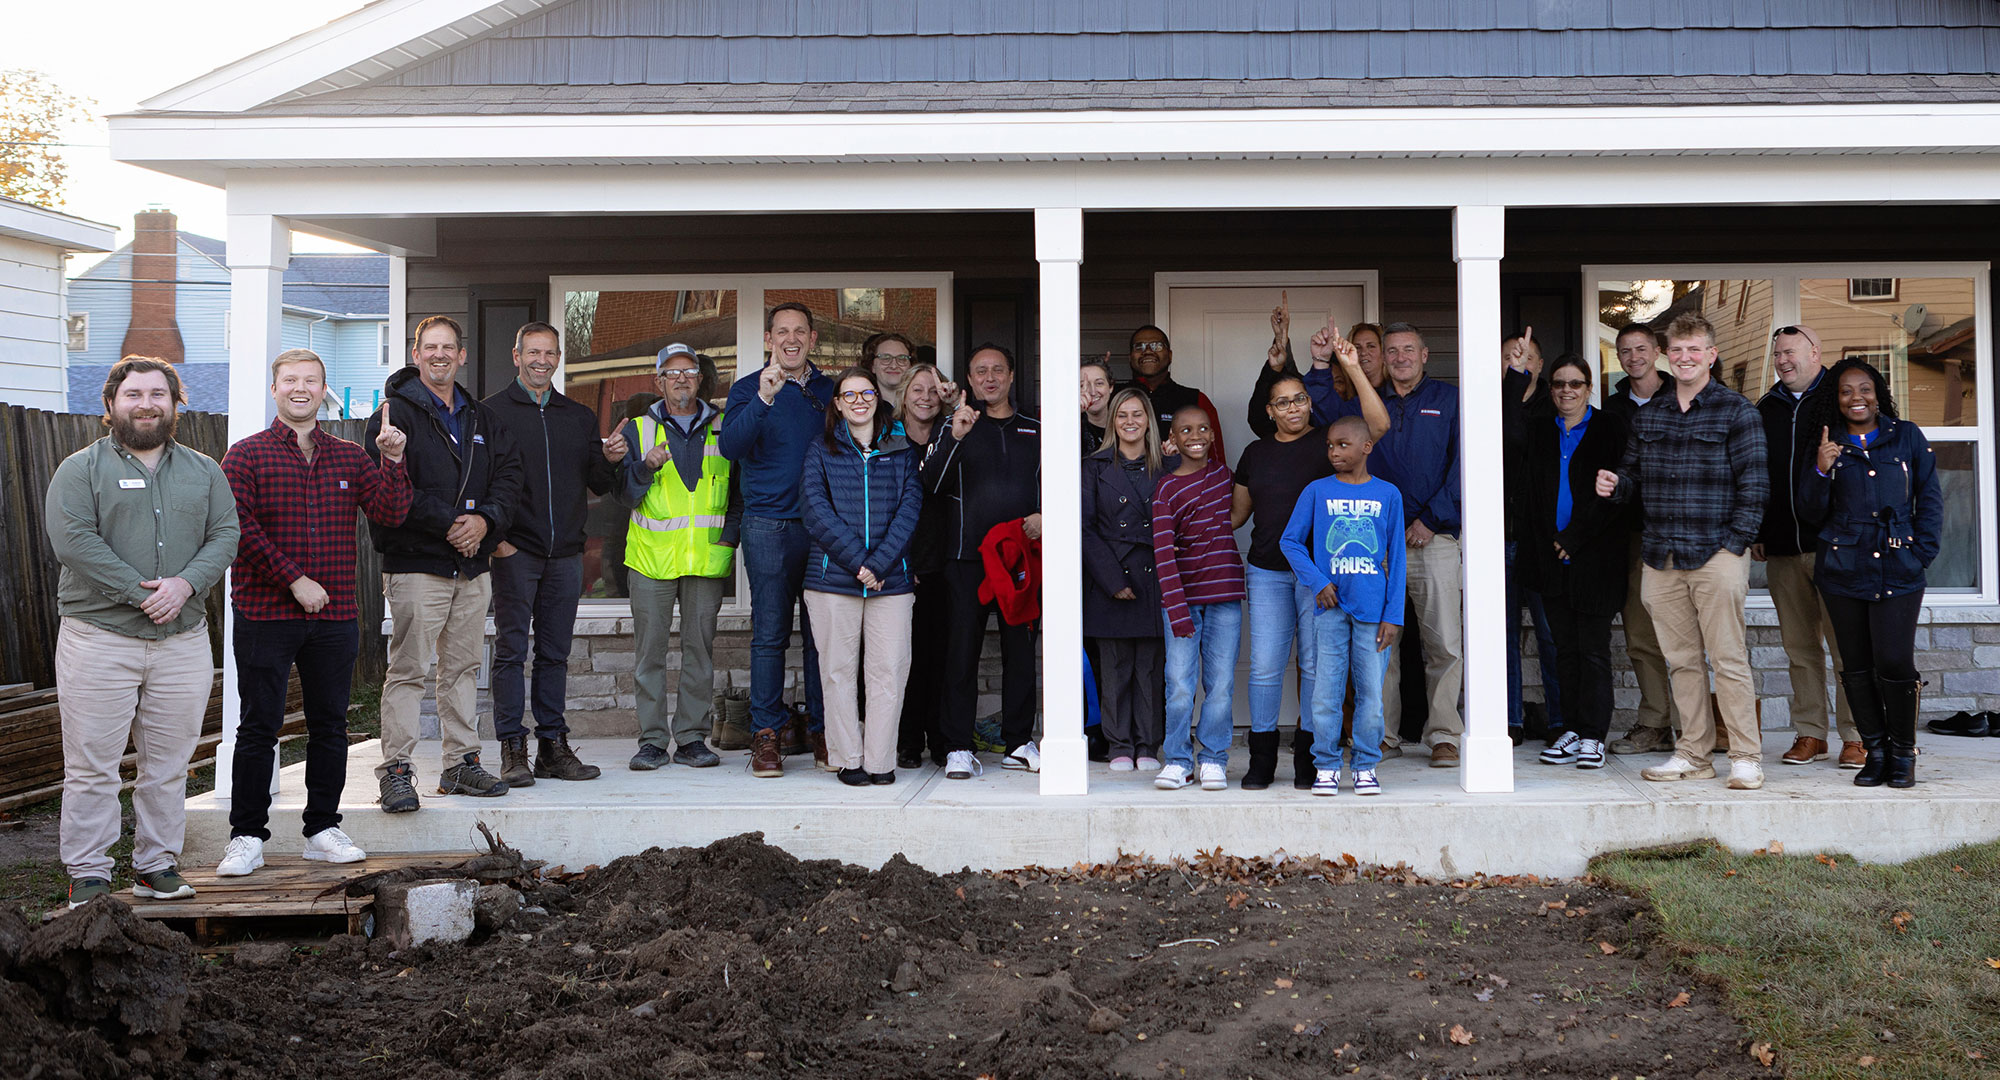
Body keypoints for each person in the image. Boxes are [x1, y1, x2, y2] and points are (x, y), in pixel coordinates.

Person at [47, 357, 240, 907]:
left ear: (176, 404)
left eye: (159, 393)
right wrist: (142, 591)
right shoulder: (80, 469)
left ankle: (156, 864)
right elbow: (74, 542)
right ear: (111, 404)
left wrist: (186, 585)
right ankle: (89, 871)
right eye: (134, 393)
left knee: (168, 764)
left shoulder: (204, 470)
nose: (147, 403)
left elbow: (225, 533)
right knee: (91, 765)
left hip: (181, 642)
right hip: (99, 639)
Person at [214, 349, 409, 879]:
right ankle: (246, 837)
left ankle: (322, 829)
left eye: (311, 381)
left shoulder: (350, 457)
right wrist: (294, 580)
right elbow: (239, 530)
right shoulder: (246, 455)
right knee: (259, 727)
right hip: (263, 613)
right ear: (274, 387)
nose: (300, 389)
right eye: (290, 380)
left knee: (330, 726)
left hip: (335, 615)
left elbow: (390, 514)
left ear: (324, 390)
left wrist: (392, 461)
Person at [1596, 312, 1769, 790]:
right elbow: (1633, 478)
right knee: (1681, 661)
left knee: (1728, 658)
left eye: (1695, 349)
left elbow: (1755, 489)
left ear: (1711, 355)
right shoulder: (1651, 414)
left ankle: (1745, 756)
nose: (1686, 357)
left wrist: (1733, 547)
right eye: (1678, 350)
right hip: (1661, 556)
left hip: (1716, 554)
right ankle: (1693, 753)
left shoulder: (1737, 411)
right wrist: (1615, 483)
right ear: (1665, 355)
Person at [365, 315, 523, 811]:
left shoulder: (479, 416)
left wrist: (487, 523)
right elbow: (390, 489)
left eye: (448, 347)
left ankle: (460, 766)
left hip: (472, 566)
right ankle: (396, 771)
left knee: (461, 668)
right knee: (409, 668)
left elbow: (509, 475)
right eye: (429, 347)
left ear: (462, 356)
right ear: (416, 354)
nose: (439, 355)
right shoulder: (393, 415)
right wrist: (454, 523)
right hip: (416, 562)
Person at [483, 321, 619, 788]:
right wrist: (496, 541)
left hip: (565, 555)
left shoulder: (577, 416)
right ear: (516, 355)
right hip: (515, 552)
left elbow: (599, 482)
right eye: (533, 352)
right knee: (509, 651)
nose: (542, 360)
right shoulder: (491, 414)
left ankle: (553, 748)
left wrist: (614, 459)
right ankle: (511, 748)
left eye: (551, 353)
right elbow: (478, 484)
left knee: (555, 654)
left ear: (559, 359)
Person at [1798, 358, 1942, 789]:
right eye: (1846, 391)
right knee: (1856, 665)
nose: (1855, 397)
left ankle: (1903, 753)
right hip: (1843, 568)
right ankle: (1874, 752)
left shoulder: (1907, 436)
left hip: (1899, 564)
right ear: (1836, 400)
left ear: (1878, 393)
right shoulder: (1826, 441)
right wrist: (1822, 469)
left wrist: (1922, 554)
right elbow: (1808, 511)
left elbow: (1929, 498)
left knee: (1894, 661)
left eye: (1864, 388)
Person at [720, 302, 837, 777]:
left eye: (800, 332)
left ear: (812, 339)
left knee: (821, 636)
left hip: (823, 528)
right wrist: (764, 400)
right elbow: (731, 447)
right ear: (770, 339)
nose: (791, 339)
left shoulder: (831, 391)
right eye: (782, 332)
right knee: (769, 635)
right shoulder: (750, 388)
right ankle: (766, 735)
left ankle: (824, 730)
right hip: (768, 525)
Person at [612, 344, 741, 772]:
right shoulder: (635, 430)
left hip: (706, 560)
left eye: (688, 371)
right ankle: (651, 741)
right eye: (671, 373)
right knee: (649, 654)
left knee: (698, 652)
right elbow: (622, 494)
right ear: (658, 382)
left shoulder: (727, 427)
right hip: (651, 559)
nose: (680, 379)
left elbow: (740, 492)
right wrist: (644, 467)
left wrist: (730, 538)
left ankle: (690, 739)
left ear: (700, 378)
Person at [922, 343, 1043, 779]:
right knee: (960, 654)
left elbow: (1059, 484)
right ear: (969, 381)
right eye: (979, 372)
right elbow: (929, 484)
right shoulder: (955, 427)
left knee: (1020, 654)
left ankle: (1018, 742)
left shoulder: (1036, 430)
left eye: (997, 370)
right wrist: (955, 434)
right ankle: (957, 746)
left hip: (1019, 560)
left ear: (1012, 376)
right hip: (966, 558)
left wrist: (1045, 516)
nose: (989, 378)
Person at [800, 368, 925, 785]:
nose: (858, 400)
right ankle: (848, 758)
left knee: (889, 670)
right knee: (838, 671)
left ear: (877, 397)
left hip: (891, 581)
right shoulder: (821, 449)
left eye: (865, 392)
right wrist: (859, 563)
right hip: (832, 580)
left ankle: (879, 761)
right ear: (836, 403)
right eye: (848, 394)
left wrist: (879, 564)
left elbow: (910, 511)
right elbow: (816, 512)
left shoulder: (901, 449)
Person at [1509, 356, 1631, 769]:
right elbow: (1505, 429)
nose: (1566, 391)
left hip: (1595, 560)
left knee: (1593, 651)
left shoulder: (1610, 426)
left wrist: (1575, 539)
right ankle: (1572, 731)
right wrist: (1516, 376)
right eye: (1558, 383)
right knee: (1564, 651)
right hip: (1548, 560)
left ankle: (1594, 735)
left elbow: (1616, 492)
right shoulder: (1539, 428)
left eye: (1575, 384)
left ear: (1589, 387)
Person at [1280, 415, 1405, 796]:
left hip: (1373, 612)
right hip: (1330, 611)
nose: (1334, 451)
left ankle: (1366, 763)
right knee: (1326, 691)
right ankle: (1327, 764)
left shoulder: (1388, 495)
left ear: (1366, 447)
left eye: (1343, 444)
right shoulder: (1317, 491)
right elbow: (1290, 541)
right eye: (1330, 445)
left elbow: (1397, 558)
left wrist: (1393, 615)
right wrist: (1317, 582)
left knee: (1370, 692)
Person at [1755, 324, 1859, 769]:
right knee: (1799, 649)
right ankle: (1811, 733)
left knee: (1847, 648)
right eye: (1777, 353)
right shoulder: (1767, 407)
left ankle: (1857, 736)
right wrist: (1758, 529)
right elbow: (1756, 474)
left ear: (1816, 353)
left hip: (1833, 547)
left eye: (1791, 352)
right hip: (1781, 547)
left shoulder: (1840, 401)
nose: (1782, 360)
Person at [1369, 323, 1465, 767]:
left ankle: (1444, 734)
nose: (1401, 357)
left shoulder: (1449, 400)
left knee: (1444, 642)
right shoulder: (1371, 404)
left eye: (1409, 349)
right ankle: (1383, 736)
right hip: (1379, 542)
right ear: (1384, 358)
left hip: (1435, 539)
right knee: (1380, 643)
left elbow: (1464, 465)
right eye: (1393, 351)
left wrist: (1430, 519)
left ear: (1425, 354)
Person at [1152, 405, 1245, 792]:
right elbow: (1162, 553)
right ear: (1172, 438)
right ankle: (1177, 760)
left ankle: (1212, 759)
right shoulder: (1165, 489)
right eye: (1185, 429)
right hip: (1182, 601)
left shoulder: (1226, 478)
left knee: (1221, 684)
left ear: (1212, 436)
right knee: (1178, 684)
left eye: (1202, 428)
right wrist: (1177, 610)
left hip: (1224, 595)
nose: (1195, 435)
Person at [1084, 386, 1168, 772]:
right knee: (1115, 666)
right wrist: (1112, 578)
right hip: (1110, 574)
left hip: (1157, 575)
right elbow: (1083, 528)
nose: (1130, 422)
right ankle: (1119, 744)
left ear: (1148, 420)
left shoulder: (1168, 466)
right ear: (1112, 422)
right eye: (1122, 415)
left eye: (1137, 414)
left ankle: (1148, 744)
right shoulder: (1093, 466)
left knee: (1150, 667)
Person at [1603, 323, 1679, 754]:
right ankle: (1655, 722)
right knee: (1640, 633)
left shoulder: (1686, 396)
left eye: (1641, 349)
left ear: (1658, 352)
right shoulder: (1612, 410)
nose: (1633, 357)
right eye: (1625, 350)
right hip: (1632, 535)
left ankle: (1699, 728)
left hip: (1685, 532)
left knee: (1693, 635)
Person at [1501, 330, 1565, 745]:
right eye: (1510, 357)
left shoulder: (1555, 408)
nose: (1520, 362)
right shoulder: (1489, 404)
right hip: (1498, 538)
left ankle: (1560, 720)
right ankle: (1509, 720)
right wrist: (1511, 384)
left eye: (1527, 357)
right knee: (1499, 636)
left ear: (1541, 365)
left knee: (1549, 633)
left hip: (1543, 540)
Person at [895, 363, 957, 768]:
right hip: (902, 563)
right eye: (917, 389)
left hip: (946, 562)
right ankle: (906, 742)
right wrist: (900, 561)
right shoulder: (888, 440)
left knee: (941, 658)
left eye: (933, 391)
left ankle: (941, 739)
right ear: (904, 394)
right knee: (903, 660)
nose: (925, 397)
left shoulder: (950, 436)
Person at [1125, 325, 1225, 460]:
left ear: (1170, 355)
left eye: (1157, 346)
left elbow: (1215, 459)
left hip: (1183, 480)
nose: (1148, 351)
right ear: (1130, 357)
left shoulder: (1195, 399)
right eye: (1139, 347)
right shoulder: (1116, 398)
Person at [862, 331, 917, 412]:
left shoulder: (920, 406)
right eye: (885, 358)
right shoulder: (862, 405)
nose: (893, 366)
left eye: (902, 358)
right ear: (872, 365)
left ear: (911, 366)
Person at [1079, 356, 1114, 457]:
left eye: (1099, 383)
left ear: (1111, 387)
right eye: (1083, 385)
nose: (1092, 392)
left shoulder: (1124, 425)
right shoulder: (1072, 427)